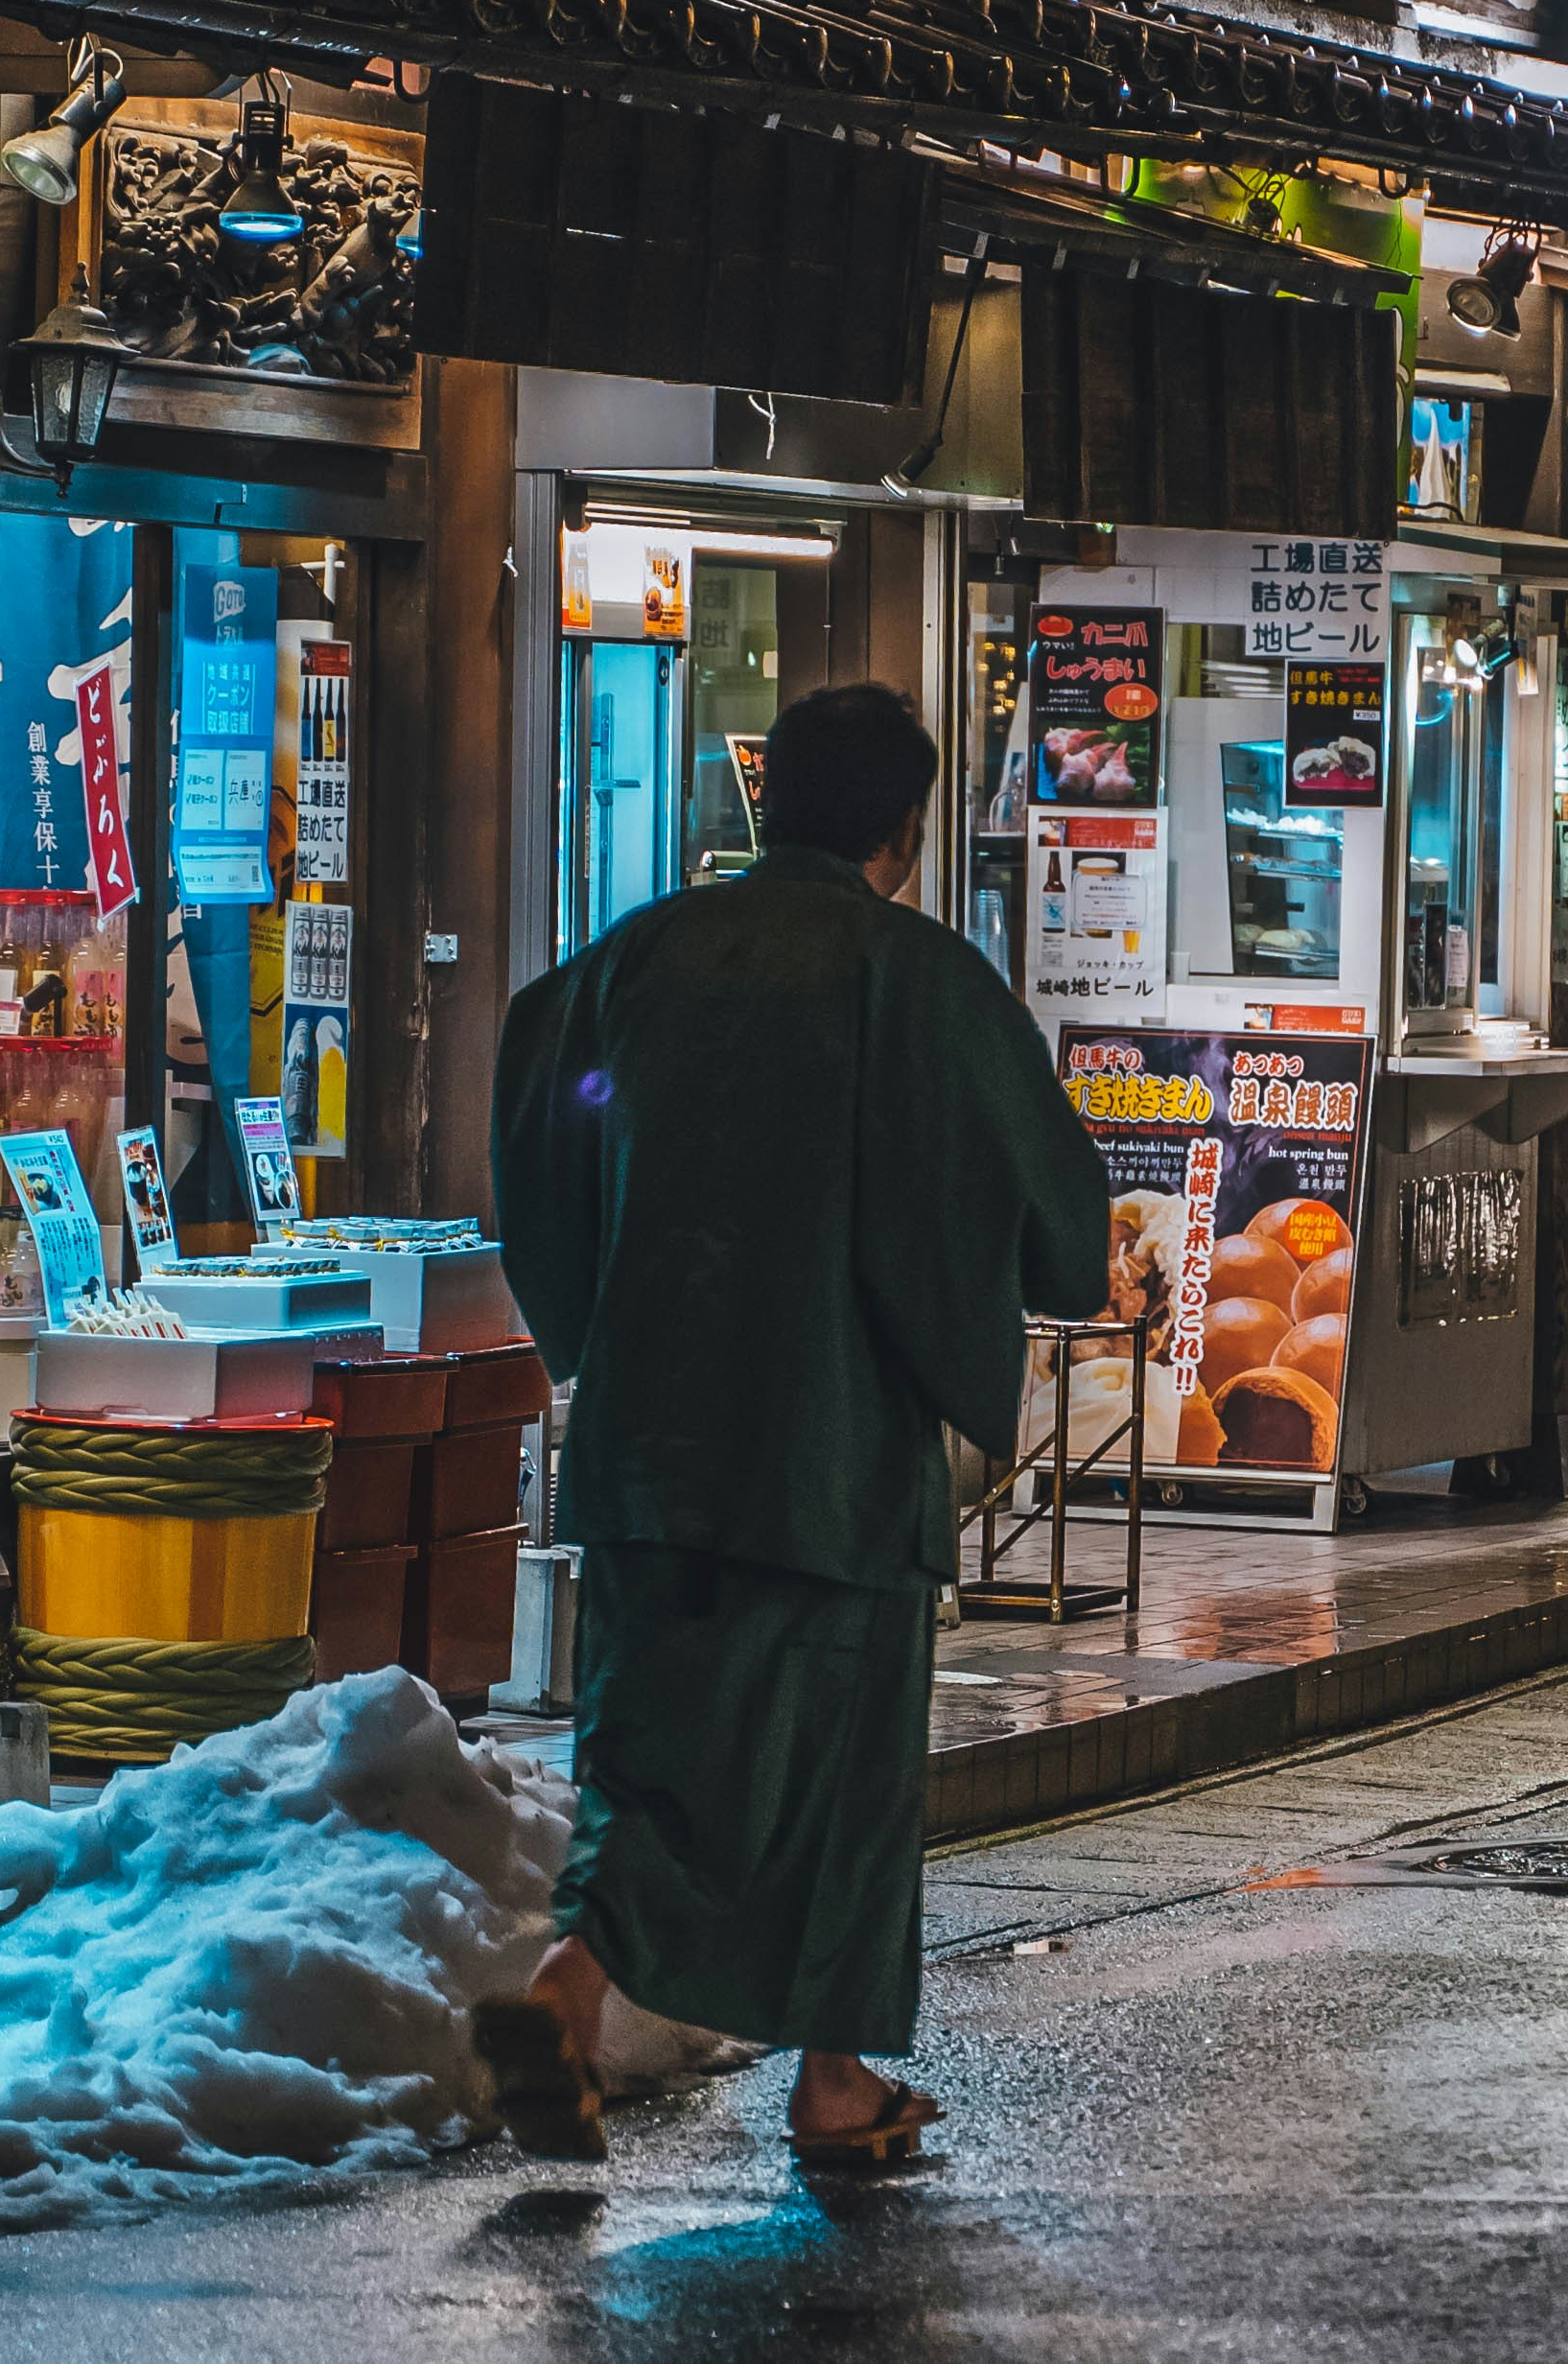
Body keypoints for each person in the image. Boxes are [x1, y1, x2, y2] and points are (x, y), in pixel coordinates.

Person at [475, 680, 1110, 2170]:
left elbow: (532, 1125)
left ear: (765, 799)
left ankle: (570, 1994)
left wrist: (598, 1340)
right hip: (834, 1454)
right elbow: (1059, 1229)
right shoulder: (925, 981)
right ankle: (828, 2080)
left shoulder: (631, 962)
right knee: (840, 1770)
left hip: (646, 1447)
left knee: (654, 1758)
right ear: (906, 824)